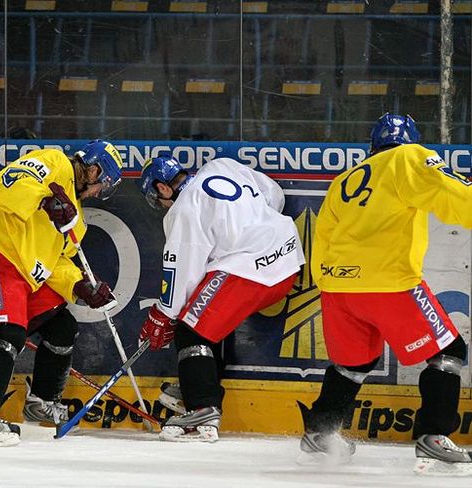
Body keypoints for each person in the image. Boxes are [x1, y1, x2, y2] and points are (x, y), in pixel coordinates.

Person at [297, 113, 472, 474]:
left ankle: (322, 430)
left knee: (353, 362)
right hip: (390, 283)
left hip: (337, 287)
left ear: (372, 146)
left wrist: (331, 281)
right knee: (448, 351)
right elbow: (450, 193)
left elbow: (324, 235)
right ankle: (434, 435)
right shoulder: (408, 158)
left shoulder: (345, 179)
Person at [0, 139, 123, 446]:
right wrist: (46, 199)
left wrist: (79, 285)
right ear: (94, 169)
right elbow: (8, 184)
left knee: (63, 328)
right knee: (9, 333)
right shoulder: (55, 162)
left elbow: (55, 260)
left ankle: (40, 403)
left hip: (24, 274)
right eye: (103, 184)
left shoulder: (77, 223)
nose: (99, 192)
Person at [137, 155, 305, 442]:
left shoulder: (184, 210)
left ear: (163, 189)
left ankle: (203, 407)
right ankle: (201, 386)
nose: (162, 205)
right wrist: (250, 227)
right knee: (207, 320)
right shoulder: (221, 166)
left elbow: (182, 272)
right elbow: (273, 193)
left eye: (158, 198)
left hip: (250, 270)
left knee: (190, 329)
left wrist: (164, 314)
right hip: (287, 255)